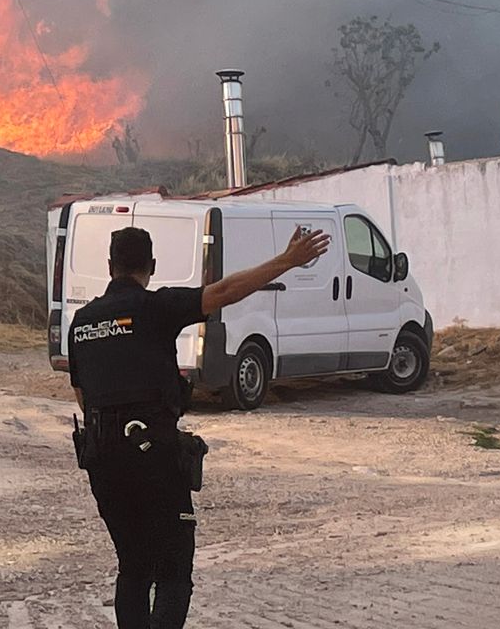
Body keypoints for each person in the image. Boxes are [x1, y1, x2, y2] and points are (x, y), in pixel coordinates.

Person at [68, 223, 330, 629]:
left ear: (109, 266)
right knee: (173, 571)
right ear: (151, 266)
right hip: (152, 454)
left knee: (133, 567)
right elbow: (224, 292)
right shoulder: (156, 307)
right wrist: (286, 261)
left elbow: (83, 397)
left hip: (102, 457)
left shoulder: (82, 322)